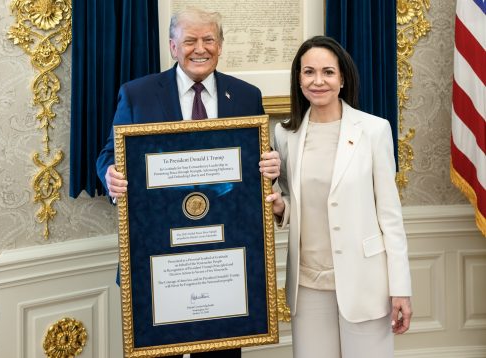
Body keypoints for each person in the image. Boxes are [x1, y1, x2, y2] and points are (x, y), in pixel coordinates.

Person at [96, 7, 280, 358]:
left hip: (223, 257)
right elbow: (110, 155)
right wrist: (110, 177)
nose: (201, 48)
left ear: (221, 45)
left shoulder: (246, 96)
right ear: (173, 46)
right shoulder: (138, 94)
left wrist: (270, 164)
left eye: (209, 39)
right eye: (190, 40)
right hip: (157, 256)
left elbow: (256, 160)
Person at [265, 36, 412, 357]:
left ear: (343, 78)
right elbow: (292, 197)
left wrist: (401, 288)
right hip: (307, 285)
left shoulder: (373, 130)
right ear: (298, 79)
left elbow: (390, 215)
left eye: (328, 72)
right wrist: (280, 207)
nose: (318, 81)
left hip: (365, 282)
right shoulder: (285, 135)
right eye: (309, 72)